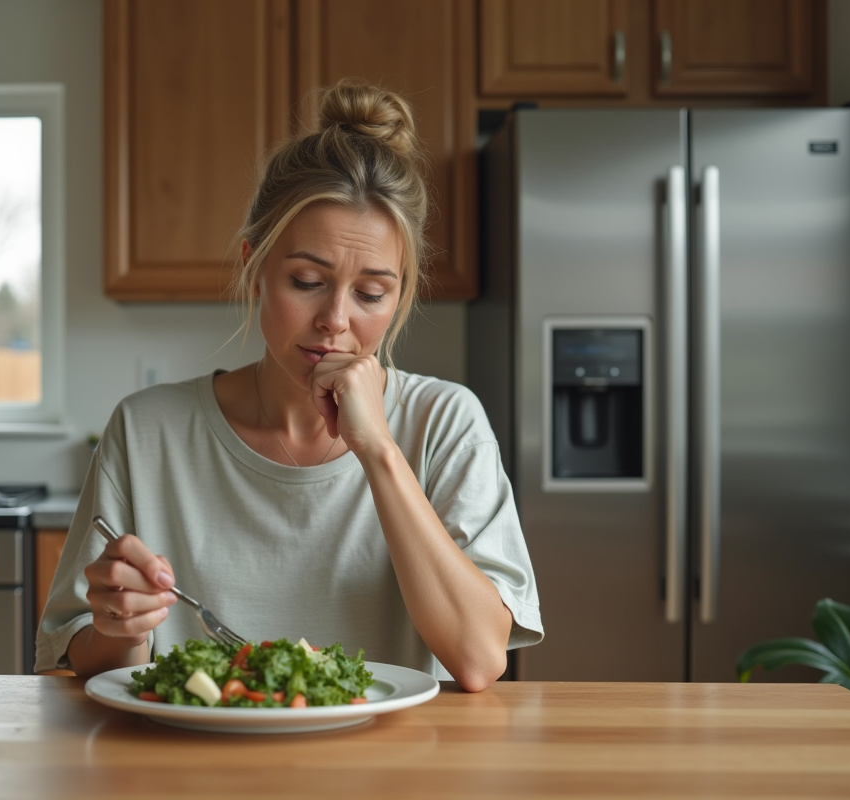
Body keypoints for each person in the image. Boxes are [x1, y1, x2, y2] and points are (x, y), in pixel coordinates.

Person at [36, 78, 542, 692]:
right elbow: (78, 659)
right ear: (256, 267)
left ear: (401, 296)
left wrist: (378, 449)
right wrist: (121, 628)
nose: (335, 319)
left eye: (372, 294)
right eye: (306, 280)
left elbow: (480, 659)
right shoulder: (147, 431)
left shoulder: (445, 422)